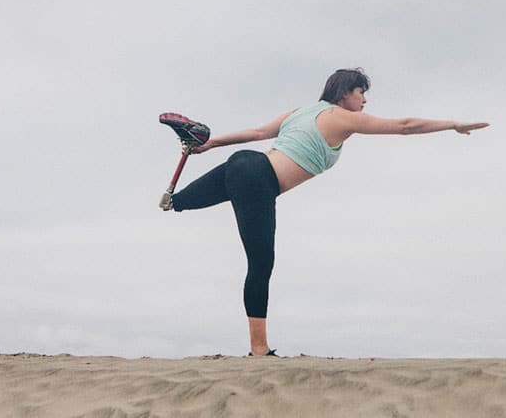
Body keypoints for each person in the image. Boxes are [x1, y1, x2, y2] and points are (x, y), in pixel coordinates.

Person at [162, 69, 489, 356]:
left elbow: (259, 134)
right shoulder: (342, 117)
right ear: (345, 92)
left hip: (242, 165)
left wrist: (210, 144)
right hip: (259, 179)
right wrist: (452, 125)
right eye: (361, 92)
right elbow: (403, 126)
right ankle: (259, 350)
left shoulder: (300, 112)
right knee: (261, 264)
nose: (364, 101)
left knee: (177, 203)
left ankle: (177, 190)